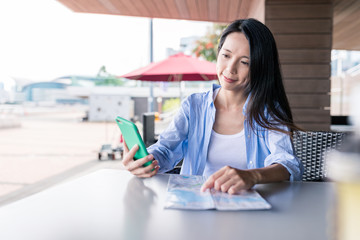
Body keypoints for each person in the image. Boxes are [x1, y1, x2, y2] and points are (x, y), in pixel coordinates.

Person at [122, 18, 303, 195]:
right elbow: (165, 149)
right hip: (195, 205)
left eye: (245, 62)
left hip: (250, 211)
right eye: (226, 55)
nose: (230, 69)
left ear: (261, 67)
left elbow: (288, 164)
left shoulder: (268, 111)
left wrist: (252, 176)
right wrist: (145, 161)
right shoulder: (194, 106)